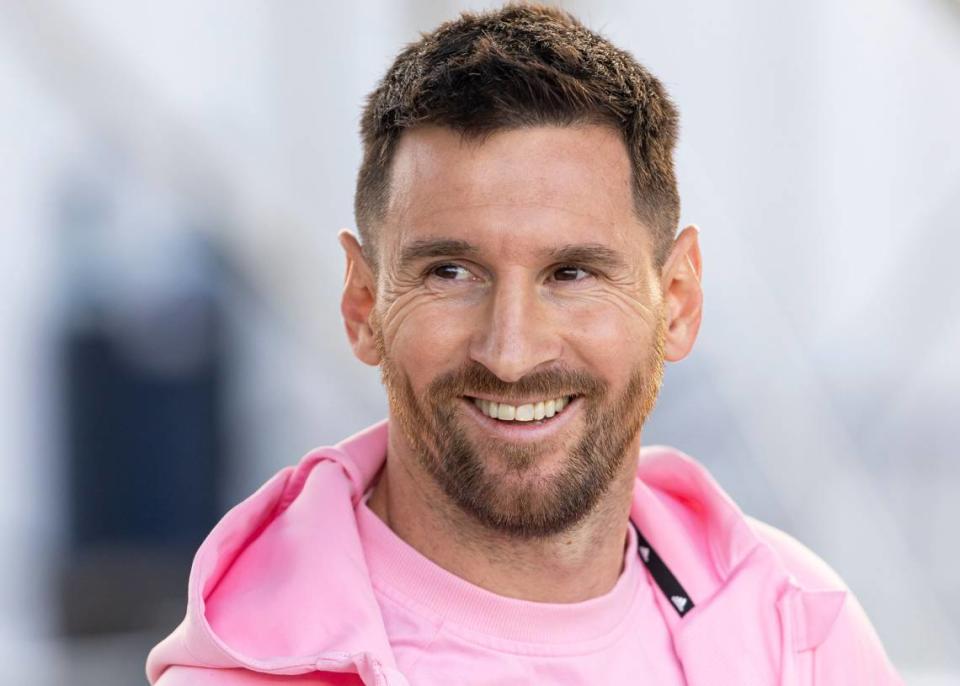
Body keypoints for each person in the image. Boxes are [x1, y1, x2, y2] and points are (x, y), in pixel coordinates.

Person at [146, 4, 902, 684]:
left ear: (676, 300)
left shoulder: (799, 634)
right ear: (364, 302)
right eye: (450, 272)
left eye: (571, 273)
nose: (511, 353)